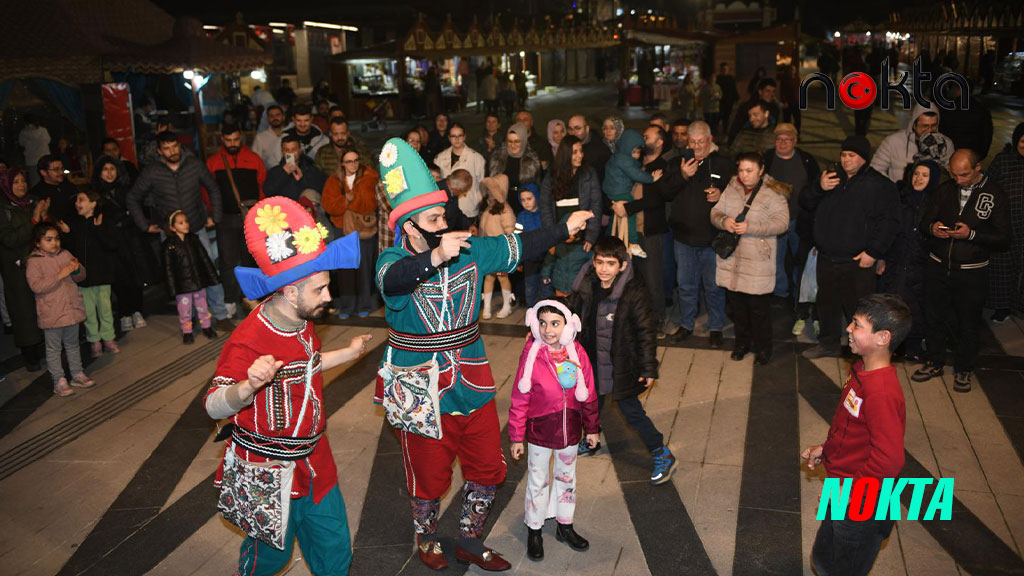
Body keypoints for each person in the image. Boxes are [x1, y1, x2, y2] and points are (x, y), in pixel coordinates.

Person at [373, 138, 592, 571]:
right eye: (434, 219)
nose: (445, 222)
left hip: (471, 381)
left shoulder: (468, 252)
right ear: (412, 227)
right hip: (419, 389)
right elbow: (393, 281)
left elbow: (518, 246)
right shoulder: (392, 258)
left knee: (488, 467)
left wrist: (563, 229)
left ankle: (470, 540)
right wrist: (435, 256)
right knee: (428, 474)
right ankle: (427, 538)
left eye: (443, 215)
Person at [205, 197, 363, 576]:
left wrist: (348, 353)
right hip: (268, 468)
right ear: (291, 292)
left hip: (315, 458)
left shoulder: (302, 320)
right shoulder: (249, 339)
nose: (328, 297)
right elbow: (213, 404)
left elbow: (307, 366)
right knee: (270, 559)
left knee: (334, 549)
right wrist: (248, 386)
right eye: (319, 290)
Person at [802, 294, 911, 576]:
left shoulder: (881, 392)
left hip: (863, 501)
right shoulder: (861, 369)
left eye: (857, 325)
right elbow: (851, 426)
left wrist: (850, 491)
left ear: (883, 337)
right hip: (845, 486)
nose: (849, 329)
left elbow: (890, 460)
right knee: (824, 557)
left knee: (846, 565)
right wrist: (826, 448)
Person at [568, 236, 675, 482]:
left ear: (622, 265)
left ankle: (661, 452)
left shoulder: (634, 292)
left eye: (610, 263)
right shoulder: (587, 284)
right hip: (592, 360)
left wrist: (648, 367)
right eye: (599, 262)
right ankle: (592, 439)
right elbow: (569, 308)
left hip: (622, 364)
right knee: (589, 404)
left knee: (631, 412)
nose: (604, 269)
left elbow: (646, 331)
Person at [912, 150, 1011, 392]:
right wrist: (932, 227)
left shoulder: (995, 194)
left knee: (968, 322)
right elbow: (924, 222)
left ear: (978, 168)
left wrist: (972, 235)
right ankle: (934, 361)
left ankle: (964, 369)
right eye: (954, 174)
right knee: (933, 317)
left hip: (971, 271)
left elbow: (1004, 239)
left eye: (964, 175)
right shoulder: (945, 190)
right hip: (938, 266)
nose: (958, 180)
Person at [509, 299, 599, 560]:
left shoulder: (577, 353)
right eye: (543, 323)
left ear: (569, 326)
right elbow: (520, 397)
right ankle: (534, 530)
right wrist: (516, 436)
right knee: (538, 481)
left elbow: (589, 392)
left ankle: (564, 525)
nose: (548, 330)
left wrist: (592, 428)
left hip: (570, 431)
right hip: (540, 432)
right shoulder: (532, 355)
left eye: (555, 323)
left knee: (567, 479)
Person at [801, 136, 900, 359]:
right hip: (827, 257)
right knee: (826, 304)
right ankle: (828, 343)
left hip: (858, 260)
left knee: (859, 309)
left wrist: (874, 252)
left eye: (851, 155)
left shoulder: (880, 185)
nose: (846, 159)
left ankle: (861, 349)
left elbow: (890, 222)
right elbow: (805, 202)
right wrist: (818, 187)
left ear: (863, 159)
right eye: (843, 154)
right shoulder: (830, 177)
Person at [127, 132, 229, 324]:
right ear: (159, 151)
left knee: (209, 271)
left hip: (196, 227)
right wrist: (144, 225)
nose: (172, 151)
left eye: (175, 146)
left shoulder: (194, 165)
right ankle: (190, 319)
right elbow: (132, 197)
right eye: (166, 148)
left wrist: (214, 216)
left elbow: (213, 188)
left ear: (180, 146)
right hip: (170, 233)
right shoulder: (152, 171)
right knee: (179, 275)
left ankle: (221, 315)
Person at [710, 152, 791, 364]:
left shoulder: (773, 192)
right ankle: (741, 344)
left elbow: (782, 223)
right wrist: (724, 221)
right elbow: (715, 213)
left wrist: (751, 227)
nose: (744, 175)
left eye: (749, 171)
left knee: (758, 310)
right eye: (741, 170)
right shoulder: (731, 188)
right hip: (732, 260)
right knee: (737, 309)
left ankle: (764, 348)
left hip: (757, 261)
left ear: (761, 170)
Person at [671, 121, 733, 346]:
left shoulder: (724, 163)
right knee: (686, 286)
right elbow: (665, 191)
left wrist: (721, 194)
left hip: (712, 239)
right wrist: (682, 175)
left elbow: (737, 194)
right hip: (683, 239)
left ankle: (716, 327)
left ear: (710, 140)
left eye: (701, 142)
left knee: (714, 287)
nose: (696, 147)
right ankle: (686, 324)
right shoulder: (677, 162)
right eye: (692, 142)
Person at [878, 160, 940, 361]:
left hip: (921, 265)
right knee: (892, 303)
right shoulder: (900, 199)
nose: (918, 178)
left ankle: (913, 345)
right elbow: (889, 230)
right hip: (896, 261)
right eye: (916, 174)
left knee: (916, 306)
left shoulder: (936, 203)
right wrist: (882, 257)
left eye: (924, 175)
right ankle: (893, 344)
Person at [612, 126, 674, 329]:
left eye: (647, 137)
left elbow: (654, 199)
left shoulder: (661, 166)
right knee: (632, 277)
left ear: (659, 142)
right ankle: (637, 317)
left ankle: (657, 320)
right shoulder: (636, 164)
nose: (642, 140)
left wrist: (627, 208)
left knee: (652, 279)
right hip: (630, 230)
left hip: (649, 231)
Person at [25, 222, 93, 397]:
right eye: (48, 240)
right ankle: (59, 380)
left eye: (56, 239)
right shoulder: (34, 261)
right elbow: (36, 286)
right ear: (37, 243)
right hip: (52, 312)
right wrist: (60, 275)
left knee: (73, 344)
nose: (54, 243)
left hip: (71, 309)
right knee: (54, 348)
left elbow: (81, 277)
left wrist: (76, 269)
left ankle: (77, 373)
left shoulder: (65, 254)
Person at [206, 123, 266, 317]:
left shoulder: (254, 160)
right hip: (225, 218)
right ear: (222, 140)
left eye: (236, 140)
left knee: (250, 260)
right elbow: (208, 192)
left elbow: (262, 187)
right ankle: (230, 300)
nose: (232, 143)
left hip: (251, 218)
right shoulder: (214, 162)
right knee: (227, 261)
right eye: (228, 140)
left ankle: (250, 297)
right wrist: (212, 213)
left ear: (241, 138)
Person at [764, 123, 820, 300]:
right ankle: (780, 293)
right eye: (779, 139)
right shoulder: (766, 159)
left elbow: (816, 188)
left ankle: (799, 293)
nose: (782, 143)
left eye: (787, 140)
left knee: (801, 258)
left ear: (795, 141)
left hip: (799, 220)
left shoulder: (807, 160)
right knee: (774, 259)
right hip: (773, 220)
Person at [322, 148, 379, 319]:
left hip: (362, 229)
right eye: (349, 161)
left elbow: (369, 203)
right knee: (345, 270)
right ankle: (347, 306)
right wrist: (346, 200)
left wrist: (349, 202)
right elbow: (328, 205)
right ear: (342, 163)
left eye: (355, 160)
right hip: (341, 229)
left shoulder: (369, 177)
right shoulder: (333, 180)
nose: (353, 164)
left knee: (364, 269)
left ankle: (365, 304)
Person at [64, 190, 120, 356]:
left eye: (81, 199)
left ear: (93, 203)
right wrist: (66, 234)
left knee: (105, 309)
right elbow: (71, 249)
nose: (77, 203)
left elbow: (112, 245)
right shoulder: (75, 224)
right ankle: (94, 340)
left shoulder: (103, 220)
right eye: (76, 200)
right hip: (83, 277)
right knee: (88, 312)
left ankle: (109, 338)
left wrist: (98, 229)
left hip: (102, 275)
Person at [0, 168, 45, 370]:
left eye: (23, 180)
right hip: (16, 268)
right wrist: (34, 220)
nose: (21, 185)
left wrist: (44, 215)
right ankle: (30, 355)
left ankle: (46, 347)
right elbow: (9, 239)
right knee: (24, 311)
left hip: (39, 263)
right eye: (16, 182)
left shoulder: (32, 202)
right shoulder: (4, 210)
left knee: (43, 305)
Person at [986, 122, 1024, 321]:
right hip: (1006, 223)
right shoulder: (1004, 160)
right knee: (1003, 267)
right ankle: (1002, 307)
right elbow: (988, 185)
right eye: (1023, 141)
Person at [163, 210, 219, 344]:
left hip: (198, 281)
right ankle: (187, 331)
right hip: (182, 286)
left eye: (186, 221)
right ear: (172, 227)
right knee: (185, 311)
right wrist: (172, 288)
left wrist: (212, 276)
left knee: (202, 306)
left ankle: (207, 327)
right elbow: (168, 269)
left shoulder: (194, 239)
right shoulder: (168, 246)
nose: (185, 224)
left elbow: (204, 258)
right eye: (181, 223)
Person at [602, 129, 662, 245]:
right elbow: (636, 174)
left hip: (611, 192)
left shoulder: (617, 157)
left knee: (615, 216)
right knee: (629, 212)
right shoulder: (624, 160)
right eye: (633, 152)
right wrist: (651, 178)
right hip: (620, 192)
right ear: (626, 149)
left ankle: (609, 237)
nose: (636, 155)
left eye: (638, 152)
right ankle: (633, 242)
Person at [871, 104, 954, 183]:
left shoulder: (947, 144)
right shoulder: (893, 141)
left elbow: (951, 174)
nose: (929, 130)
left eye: (933, 126)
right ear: (914, 125)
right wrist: (891, 188)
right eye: (925, 126)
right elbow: (875, 169)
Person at [476, 173, 518, 319]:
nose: (489, 194)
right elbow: (483, 229)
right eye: (488, 191)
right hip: (488, 250)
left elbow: (510, 230)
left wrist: (507, 251)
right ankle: (487, 306)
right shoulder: (488, 209)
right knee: (489, 277)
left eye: (492, 191)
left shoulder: (505, 210)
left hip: (500, 251)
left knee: (502, 277)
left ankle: (507, 306)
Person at [434, 122, 486, 219]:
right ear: (449, 138)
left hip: (469, 205)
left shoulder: (476, 157)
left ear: (464, 137)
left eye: (460, 136)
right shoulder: (440, 158)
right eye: (453, 136)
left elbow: (482, 182)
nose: (457, 139)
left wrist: (478, 199)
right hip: (447, 206)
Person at [488, 123, 541, 214]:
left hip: (524, 204)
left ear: (523, 141)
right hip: (501, 202)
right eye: (510, 141)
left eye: (517, 141)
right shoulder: (497, 157)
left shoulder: (532, 160)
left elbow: (537, 186)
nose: (513, 145)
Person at [264, 134, 327, 201]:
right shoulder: (274, 172)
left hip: (304, 206)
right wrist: (283, 174)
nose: (290, 153)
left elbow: (321, 190)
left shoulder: (311, 169)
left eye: (293, 149)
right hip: (283, 206)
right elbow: (268, 192)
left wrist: (301, 180)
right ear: (282, 152)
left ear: (300, 150)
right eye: (287, 150)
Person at [939, 82, 993, 161]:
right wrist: (980, 155)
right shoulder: (982, 110)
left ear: (957, 89)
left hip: (949, 153)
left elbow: (940, 131)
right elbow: (986, 135)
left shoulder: (948, 108)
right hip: (971, 156)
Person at [517, 184, 545, 306]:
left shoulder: (544, 214)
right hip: (529, 257)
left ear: (536, 197)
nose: (526, 203)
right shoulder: (521, 217)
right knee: (530, 286)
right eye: (523, 200)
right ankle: (531, 310)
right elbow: (517, 237)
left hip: (546, 256)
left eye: (529, 199)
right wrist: (519, 258)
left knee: (545, 285)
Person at [728, 79, 779, 147]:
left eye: (773, 91)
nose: (771, 94)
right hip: (747, 144)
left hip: (766, 144)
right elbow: (736, 127)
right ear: (760, 92)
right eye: (768, 91)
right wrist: (731, 145)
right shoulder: (748, 107)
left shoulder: (775, 108)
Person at [30, 154, 77, 222]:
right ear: (43, 172)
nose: (61, 172)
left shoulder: (68, 185)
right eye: (56, 169)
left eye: (62, 168)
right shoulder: (36, 193)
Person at [567, 114, 612, 183]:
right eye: (570, 129)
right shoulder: (567, 144)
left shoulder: (601, 150)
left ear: (587, 129)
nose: (573, 133)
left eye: (577, 128)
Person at [19, 115, 50, 187]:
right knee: (47, 178)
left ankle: (37, 193)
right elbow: (48, 140)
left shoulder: (24, 132)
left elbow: (21, 143)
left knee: (35, 181)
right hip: (44, 158)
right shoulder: (43, 130)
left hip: (32, 160)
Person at [252, 104, 287, 169]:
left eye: (277, 115)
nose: (275, 118)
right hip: (268, 172)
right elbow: (255, 160)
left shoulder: (289, 134)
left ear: (283, 117)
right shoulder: (260, 138)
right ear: (268, 119)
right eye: (271, 116)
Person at [717, 63, 740, 137]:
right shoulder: (718, 78)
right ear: (721, 70)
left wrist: (736, 98)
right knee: (719, 116)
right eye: (723, 69)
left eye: (726, 69)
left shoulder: (731, 78)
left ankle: (725, 130)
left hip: (729, 100)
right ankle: (716, 130)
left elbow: (734, 88)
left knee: (727, 116)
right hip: (720, 101)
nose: (725, 71)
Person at [778, 65, 802, 131]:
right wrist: (784, 101)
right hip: (787, 102)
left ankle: (796, 133)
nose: (792, 71)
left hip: (796, 102)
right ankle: (787, 133)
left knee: (798, 120)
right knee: (786, 120)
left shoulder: (797, 79)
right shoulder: (784, 80)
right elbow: (782, 91)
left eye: (793, 70)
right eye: (791, 69)